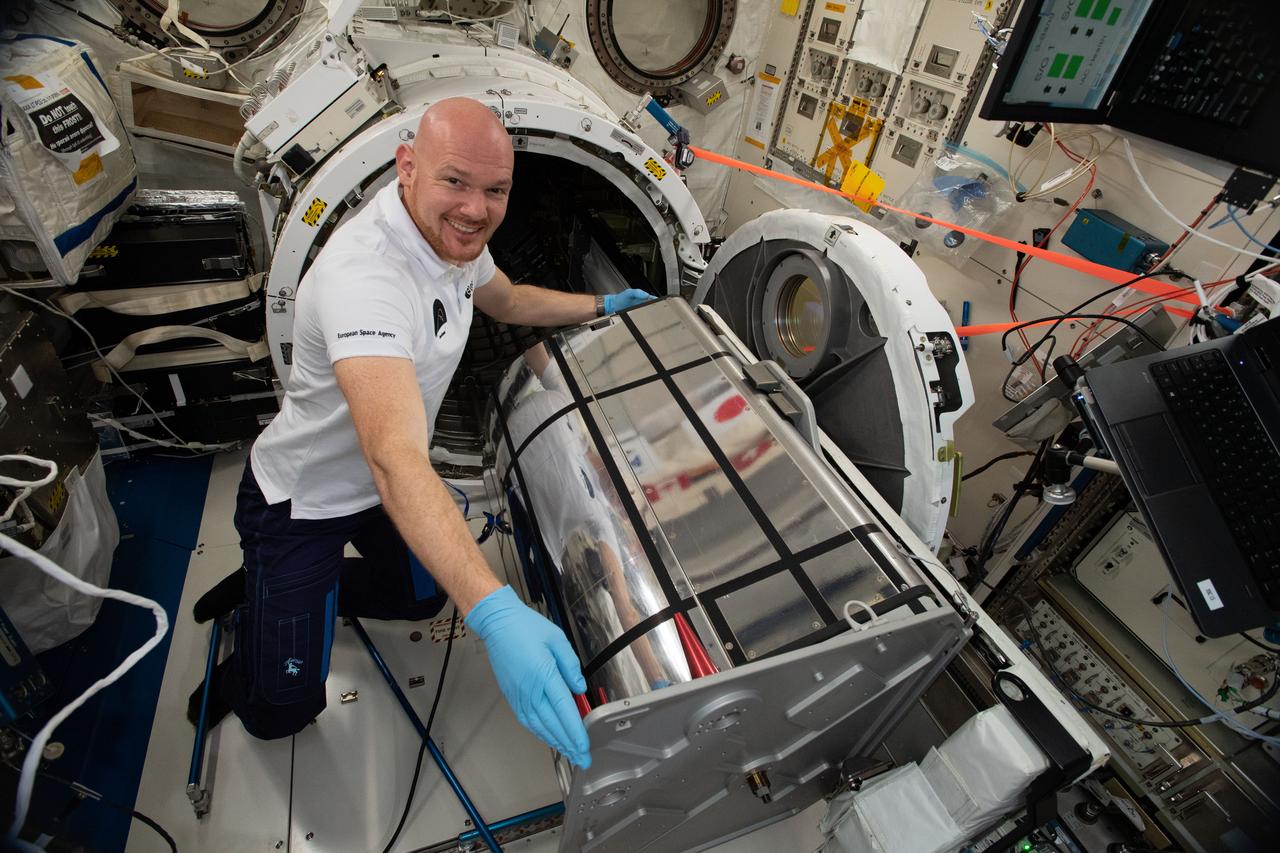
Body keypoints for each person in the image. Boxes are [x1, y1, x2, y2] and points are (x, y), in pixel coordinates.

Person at [188, 97, 654, 769]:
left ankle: (269, 593)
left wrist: (603, 303)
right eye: (455, 181)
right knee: (284, 711)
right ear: (407, 167)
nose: (475, 208)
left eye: (495, 191)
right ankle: (257, 656)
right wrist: (492, 610)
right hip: (303, 502)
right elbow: (394, 458)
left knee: (420, 593)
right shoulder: (368, 278)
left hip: (373, 494)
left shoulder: (455, 242)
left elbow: (511, 300)